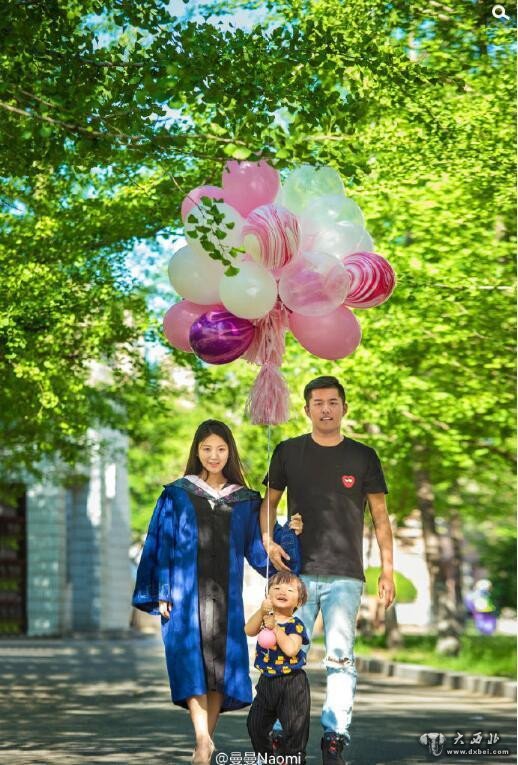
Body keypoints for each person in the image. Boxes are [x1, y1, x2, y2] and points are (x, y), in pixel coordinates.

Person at [261, 376, 396, 765]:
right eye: (318, 403)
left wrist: (388, 570)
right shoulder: (288, 451)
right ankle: (283, 734)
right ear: (306, 410)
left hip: (345, 575)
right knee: (287, 654)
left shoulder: (363, 456)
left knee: (340, 657)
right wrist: (269, 541)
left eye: (333, 402)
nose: (325, 409)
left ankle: (334, 737)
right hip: (296, 575)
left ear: (344, 408)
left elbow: (380, 516)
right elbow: (269, 503)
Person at [132, 420, 270, 765]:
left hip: (227, 599)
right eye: (206, 448)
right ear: (197, 451)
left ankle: (204, 746)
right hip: (183, 594)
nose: (213, 455)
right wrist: (163, 589)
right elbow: (161, 542)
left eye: (220, 449)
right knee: (189, 664)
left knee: (220, 670)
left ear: (230, 452)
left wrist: (289, 535)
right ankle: (202, 740)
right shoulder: (178, 494)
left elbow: (259, 550)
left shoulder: (245, 500)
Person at [246, 572, 311, 764]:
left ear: (299, 601)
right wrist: (262, 611)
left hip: (292, 684)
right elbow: (248, 630)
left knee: (295, 730)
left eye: (290, 590)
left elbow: (291, 649)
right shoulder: (264, 618)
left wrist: (274, 627)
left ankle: (294, 759)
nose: (282, 591)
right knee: (255, 725)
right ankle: (265, 758)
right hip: (267, 681)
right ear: (268, 594)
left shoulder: (295, 625)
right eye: (276, 588)